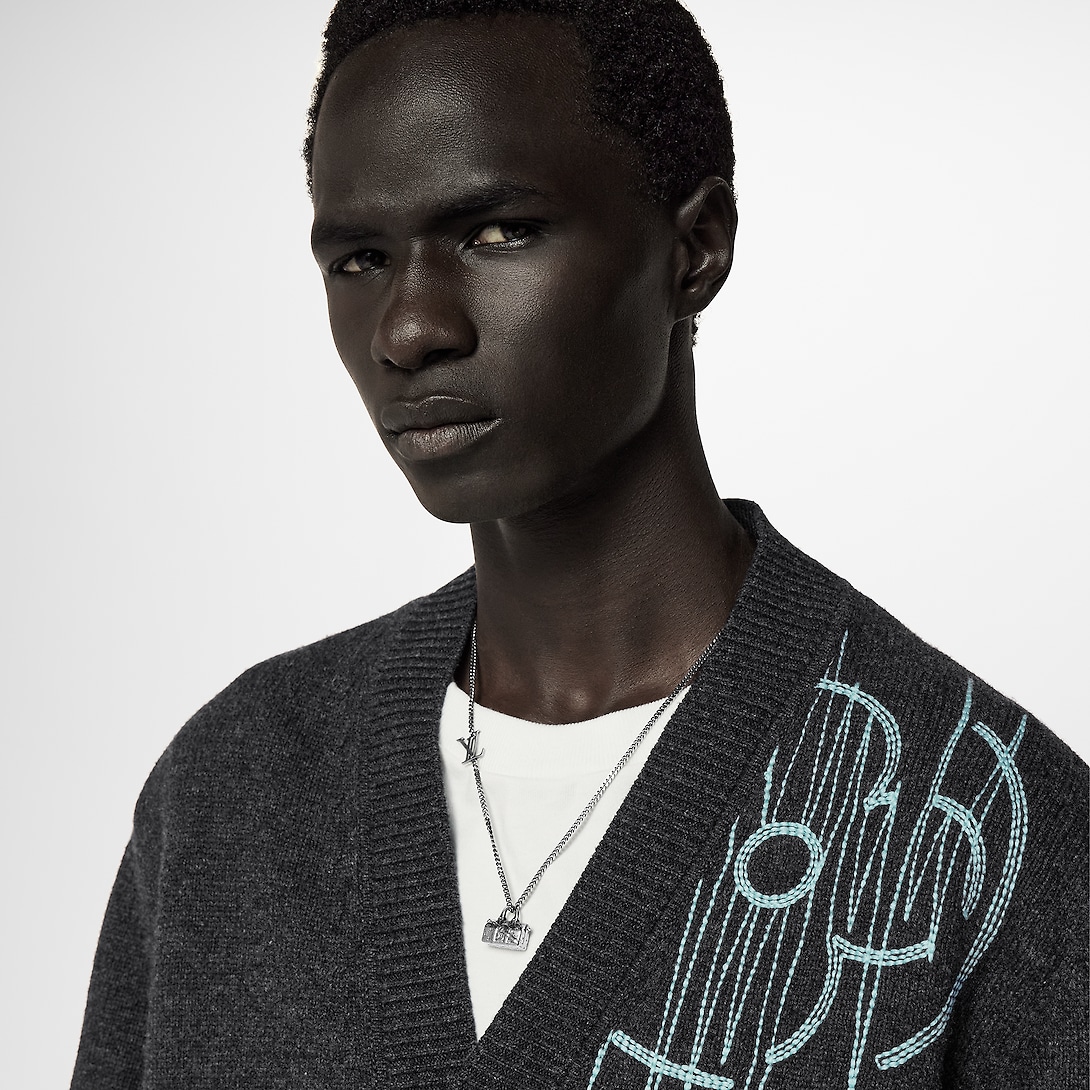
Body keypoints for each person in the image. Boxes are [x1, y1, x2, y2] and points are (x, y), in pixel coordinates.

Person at [71, 1, 1088, 1087]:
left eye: (497, 234)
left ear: (695, 250)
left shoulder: (981, 825)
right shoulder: (233, 788)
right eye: (360, 258)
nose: (410, 330)